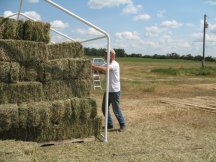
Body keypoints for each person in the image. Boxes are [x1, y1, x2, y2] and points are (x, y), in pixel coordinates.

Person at [92, 48, 126, 132]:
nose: (104, 55)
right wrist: (94, 69)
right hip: (108, 90)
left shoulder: (115, 64)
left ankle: (123, 125)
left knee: (116, 109)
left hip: (114, 91)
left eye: (106, 54)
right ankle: (109, 124)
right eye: (104, 54)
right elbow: (101, 70)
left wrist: (93, 66)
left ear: (111, 55)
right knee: (104, 108)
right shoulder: (107, 64)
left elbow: (104, 69)